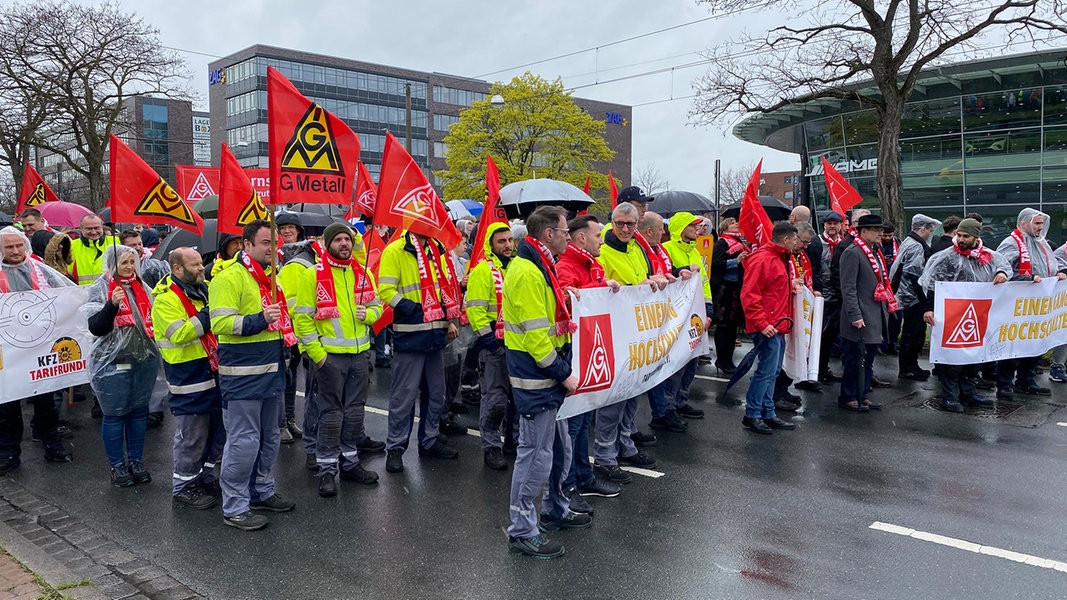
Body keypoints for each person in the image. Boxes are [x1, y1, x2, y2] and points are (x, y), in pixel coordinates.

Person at [504, 205, 589, 559]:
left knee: (557, 450)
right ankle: (522, 531)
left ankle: (555, 507)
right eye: (565, 230)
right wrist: (562, 372)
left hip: (545, 375)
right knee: (535, 456)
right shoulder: (527, 272)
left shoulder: (540, 265)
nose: (569, 236)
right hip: (536, 378)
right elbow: (537, 336)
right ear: (548, 235)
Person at [210, 220, 297, 531]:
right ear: (245, 245)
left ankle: (261, 491)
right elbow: (220, 324)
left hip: (272, 373)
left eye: (275, 244)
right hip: (243, 375)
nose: (272, 249)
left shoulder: (272, 278)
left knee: (270, 438)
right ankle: (234, 506)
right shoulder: (228, 278)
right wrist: (259, 320)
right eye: (265, 244)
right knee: (244, 442)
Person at [293, 223, 382, 497]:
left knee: (354, 414)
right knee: (330, 417)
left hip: (359, 355)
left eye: (347, 239)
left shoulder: (363, 273)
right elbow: (302, 319)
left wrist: (368, 315)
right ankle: (327, 471)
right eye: (339, 239)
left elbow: (378, 306)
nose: (344, 243)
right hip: (329, 358)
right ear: (328, 243)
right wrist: (319, 357)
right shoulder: (312, 275)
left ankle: (350, 463)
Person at [593, 202, 671, 484]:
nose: (625, 229)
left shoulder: (638, 249)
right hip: (615, 334)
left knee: (632, 394)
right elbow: (599, 288)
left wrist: (656, 280)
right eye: (620, 223)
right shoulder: (603, 251)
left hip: (637, 334)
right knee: (613, 399)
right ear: (611, 222)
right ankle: (604, 457)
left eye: (630, 224)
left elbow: (642, 281)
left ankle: (624, 445)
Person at [378, 227, 463, 474]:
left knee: (436, 394)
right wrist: (413, 308)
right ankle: (395, 448)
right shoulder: (396, 249)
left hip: (436, 335)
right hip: (411, 333)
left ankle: (429, 440)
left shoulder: (437, 250)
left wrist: (447, 319)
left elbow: (441, 290)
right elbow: (386, 290)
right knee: (403, 397)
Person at [554, 215, 623, 511]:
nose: (601, 240)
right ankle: (566, 486)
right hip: (575, 352)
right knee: (572, 422)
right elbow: (562, 308)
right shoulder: (567, 267)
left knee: (583, 420)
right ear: (581, 237)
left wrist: (606, 287)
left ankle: (583, 476)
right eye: (597, 235)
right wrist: (574, 298)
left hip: (590, 350)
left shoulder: (591, 264)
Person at [152, 247, 224, 510]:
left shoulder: (204, 290)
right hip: (188, 377)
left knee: (217, 432)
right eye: (195, 265)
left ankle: (204, 475)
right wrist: (209, 315)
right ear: (178, 268)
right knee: (192, 437)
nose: (201, 269)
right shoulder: (165, 300)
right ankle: (184, 486)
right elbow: (180, 334)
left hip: (213, 372)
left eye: (201, 265)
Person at [84, 245, 161, 487]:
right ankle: (117, 466)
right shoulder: (101, 288)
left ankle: (136, 461)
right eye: (123, 263)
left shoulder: (142, 288)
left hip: (143, 359)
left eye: (132, 262)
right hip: (113, 361)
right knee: (116, 414)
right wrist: (112, 304)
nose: (129, 267)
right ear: (111, 264)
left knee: (139, 412)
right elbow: (96, 327)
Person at [0, 227, 74, 475]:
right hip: (7, 351)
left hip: (40, 346)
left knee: (46, 400)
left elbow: (63, 294)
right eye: (9, 247)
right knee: (8, 404)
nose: (15, 251)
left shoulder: (39, 269)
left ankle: (52, 445)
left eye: (18, 246)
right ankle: (9, 453)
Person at [920, 219, 1010, 412]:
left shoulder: (988, 256)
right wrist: (929, 308)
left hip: (977, 314)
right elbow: (933, 284)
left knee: (974, 357)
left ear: (976, 237)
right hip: (952, 313)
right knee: (952, 358)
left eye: (965, 236)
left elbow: (1003, 266)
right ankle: (950, 397)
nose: (960, 239)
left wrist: (1002, 273)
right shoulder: (947, 257)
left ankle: (969, 393)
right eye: (958, 235)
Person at [994, 208, 1064, 400]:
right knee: (1012, 346)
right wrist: (1028, 278)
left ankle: (1026, 381)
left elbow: (1048, 269)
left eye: (1042, 223)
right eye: (1037, 223)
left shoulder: (1041, 244)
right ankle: (1005, 384)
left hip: (1037, 307)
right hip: (1015, 307)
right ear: (1024, 223)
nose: (1041, 228)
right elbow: (1001, 270)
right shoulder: (1010, 243)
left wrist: (1057, 276)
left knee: (1035, 344)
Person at [463, 222, 514, 471]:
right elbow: (475, 310)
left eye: (509, 240)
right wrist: (491, 343)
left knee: (516, 400)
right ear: (491, 244)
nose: (507, 245)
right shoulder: (483, 271)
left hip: (516, 345)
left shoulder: (516, 267)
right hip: (493, 345)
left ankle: (512, 442)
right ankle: (491, 447)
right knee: (494, 400)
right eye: (501, 241)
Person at [739, 222, 797, 434]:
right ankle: (753, 414)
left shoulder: (778, 258)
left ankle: (767, 412)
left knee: (771, 372)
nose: (796, 243)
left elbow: (774, 291)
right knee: (766, 372)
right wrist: (763, 323)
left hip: (776, 324)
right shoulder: (765, 259)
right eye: (794, 239)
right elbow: (749, 295)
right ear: (785, 240)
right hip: (768, 325)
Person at [636, 210, 691, 436]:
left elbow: (663, 270)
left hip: (661, 316)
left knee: (664, 365)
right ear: (649, 231)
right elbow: (641, 277)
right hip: (645, 319)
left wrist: (680, 272)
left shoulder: (656, 249)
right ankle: (660, 413)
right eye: (660, 229)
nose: (664, 232)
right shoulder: (639, 249)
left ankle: (664, 410)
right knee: (650, 368)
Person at [837, 215, 894, 412]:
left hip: (875, 313)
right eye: (875, 229)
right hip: (860, 315)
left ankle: (862, 393)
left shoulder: (875, 251)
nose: (880, 233)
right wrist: (855, 315)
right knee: (854, 358)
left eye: (880, 229)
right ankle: (849, 395)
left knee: (868, 358)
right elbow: (848, 287)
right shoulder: (853, 252)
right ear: (862, 231)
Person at [661, 211, 710, 420]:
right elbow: (667, 275)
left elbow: (704, 283)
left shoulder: (695, 251)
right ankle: (668, 405)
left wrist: (708, 310)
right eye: (692, 227)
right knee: (676, 362)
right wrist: (681, 269)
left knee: (691, 359)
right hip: (676, 314)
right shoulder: (667, 249)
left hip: (695, 313)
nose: (697, 230)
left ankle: (682, 400)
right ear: (681, 229)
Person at [890, 214, 941, 381]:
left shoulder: (910, 242)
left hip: (909, 295)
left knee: (912, 333)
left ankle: (911, 365)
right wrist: (925, 300)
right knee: (913, 333)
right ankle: (908, 368)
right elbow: (915, 275)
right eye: (929, 230)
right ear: (922, 228)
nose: (930, 234)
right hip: (913, 297)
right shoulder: (916, 246)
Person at [710, 217, 749, 374]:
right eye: (733, 223)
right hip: (724, 290)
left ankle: (729, 360)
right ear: (725, 227)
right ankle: (721, 360)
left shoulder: (741, 244)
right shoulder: (722, 243)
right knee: (724, 325)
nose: (737, 224)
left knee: (732, 327)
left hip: (737, 288)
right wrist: (735, 261)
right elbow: (715, 263)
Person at [70, 214, 119, 286]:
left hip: (112, 293)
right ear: (81, 229)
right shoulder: (72, 246)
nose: (93, 232)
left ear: (102, 227)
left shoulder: (116, 242)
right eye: (89, 229)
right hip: (82, 294)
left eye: (97, 228)